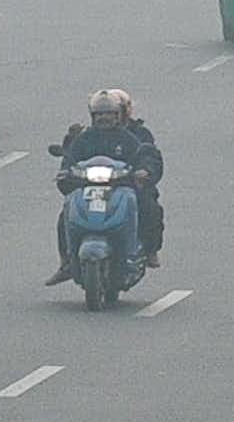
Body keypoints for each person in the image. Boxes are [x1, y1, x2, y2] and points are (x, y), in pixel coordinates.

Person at [46, 89, 165, 283]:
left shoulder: (129, 136)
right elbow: (70, 159)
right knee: (66, 213)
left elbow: (145, 155)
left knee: (147, 206)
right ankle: (67, 261)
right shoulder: (85, 137)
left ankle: (149, 249)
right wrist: (66, 173)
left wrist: (143, 172)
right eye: (99, 114)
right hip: (89, 187)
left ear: (118, 114)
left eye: (109, 114)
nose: (104, 118)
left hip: (121, 186)